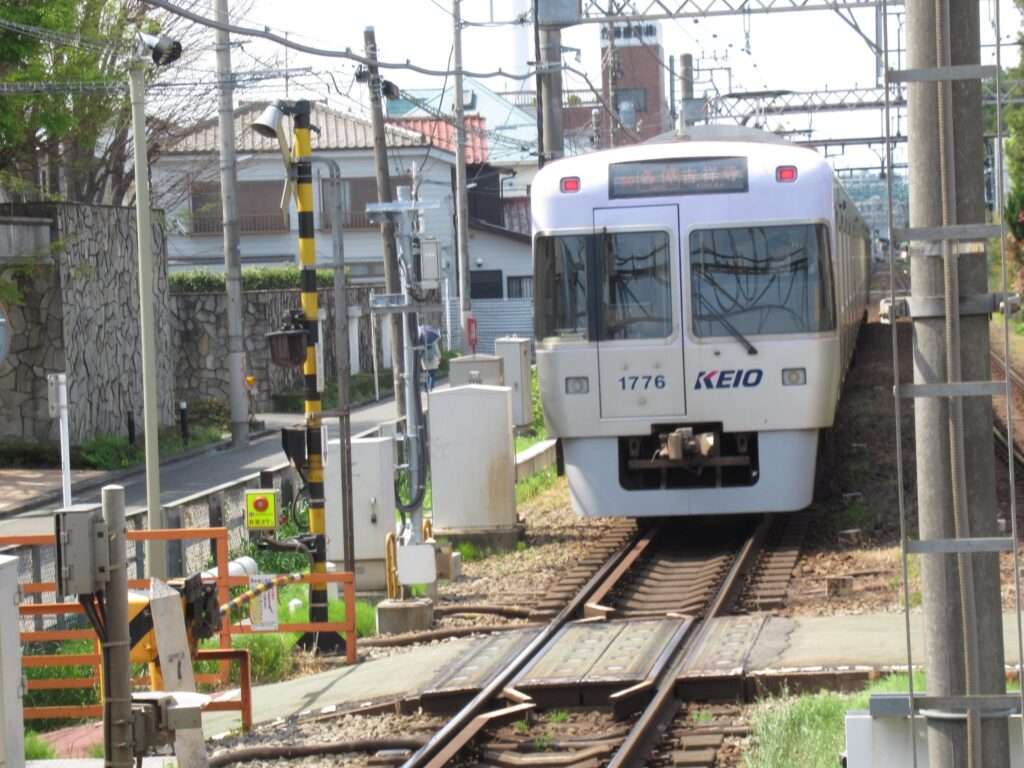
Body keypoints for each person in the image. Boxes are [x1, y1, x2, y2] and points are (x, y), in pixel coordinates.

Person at [418, 323, 442, 392]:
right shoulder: (432, 340)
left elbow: (420, 352)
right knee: (432, 374)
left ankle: (426, 387)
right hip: (433, 359)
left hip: (424, 360)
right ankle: (431, 387)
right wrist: (439, 357)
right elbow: (436, 350)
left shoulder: (421, 341)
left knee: (426, 374)